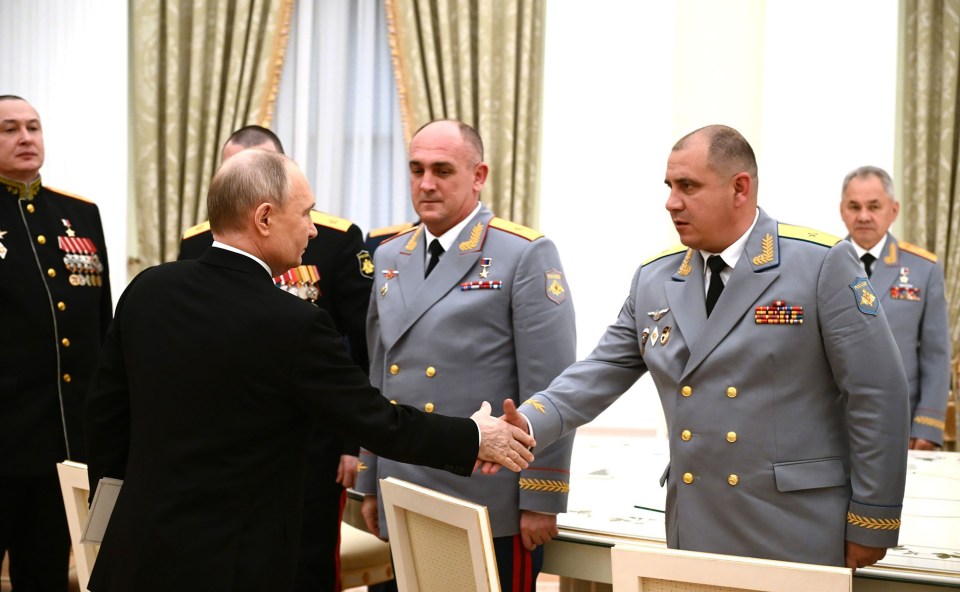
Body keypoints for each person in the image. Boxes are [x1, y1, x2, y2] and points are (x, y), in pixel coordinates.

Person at [82, 149, 535, 592]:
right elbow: (379, 422)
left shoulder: (148, 290)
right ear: (264, 218)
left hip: (135, 552)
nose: (314, 230)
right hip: (234, 566)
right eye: (305, 213)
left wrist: (117, 517)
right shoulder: (293, 324)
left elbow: (106, 418)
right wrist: (476, 436)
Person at [505, 125, 910, 570]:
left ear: (740, 188)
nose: (671, 202)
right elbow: (597, 373)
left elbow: (878, 392)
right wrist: (522, 424)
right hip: (698, 517)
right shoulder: (655, 279)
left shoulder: (818, 263)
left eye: (688, 186)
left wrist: (874, 519)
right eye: (669, 187)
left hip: (794, 524)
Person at [358, 119, 577, 591]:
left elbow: (553, 386)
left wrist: (541, 494)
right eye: (416, 170)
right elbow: (378, 375)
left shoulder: (523, 254)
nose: (426, 183)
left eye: (442, 170)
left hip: (484, 494)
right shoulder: (390, 255)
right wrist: (370, 474)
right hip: (403, 484)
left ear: (479, 176)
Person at [178, 125, 373, 591]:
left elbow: (364, 346)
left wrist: (353, 444)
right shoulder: (199, 242)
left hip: (313, 441)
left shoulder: (334, 238)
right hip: (225, 442)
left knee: (305, 563)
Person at [0, 95, 113, 592]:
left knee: (45, 573)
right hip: (4, 440)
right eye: (9, 130)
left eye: (33, 127)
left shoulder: (79, 216)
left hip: (64, 443)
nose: (26, 138)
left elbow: (104, 329)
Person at [840, 165, 951, 450]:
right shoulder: (821, 263)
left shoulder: (923, 269)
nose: (864, 216)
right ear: (842, 210)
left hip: (901, 421)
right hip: (836, 420)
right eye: (855, 206)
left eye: (874, 206)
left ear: (893, 210)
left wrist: (928, 425)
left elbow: (936, 354)